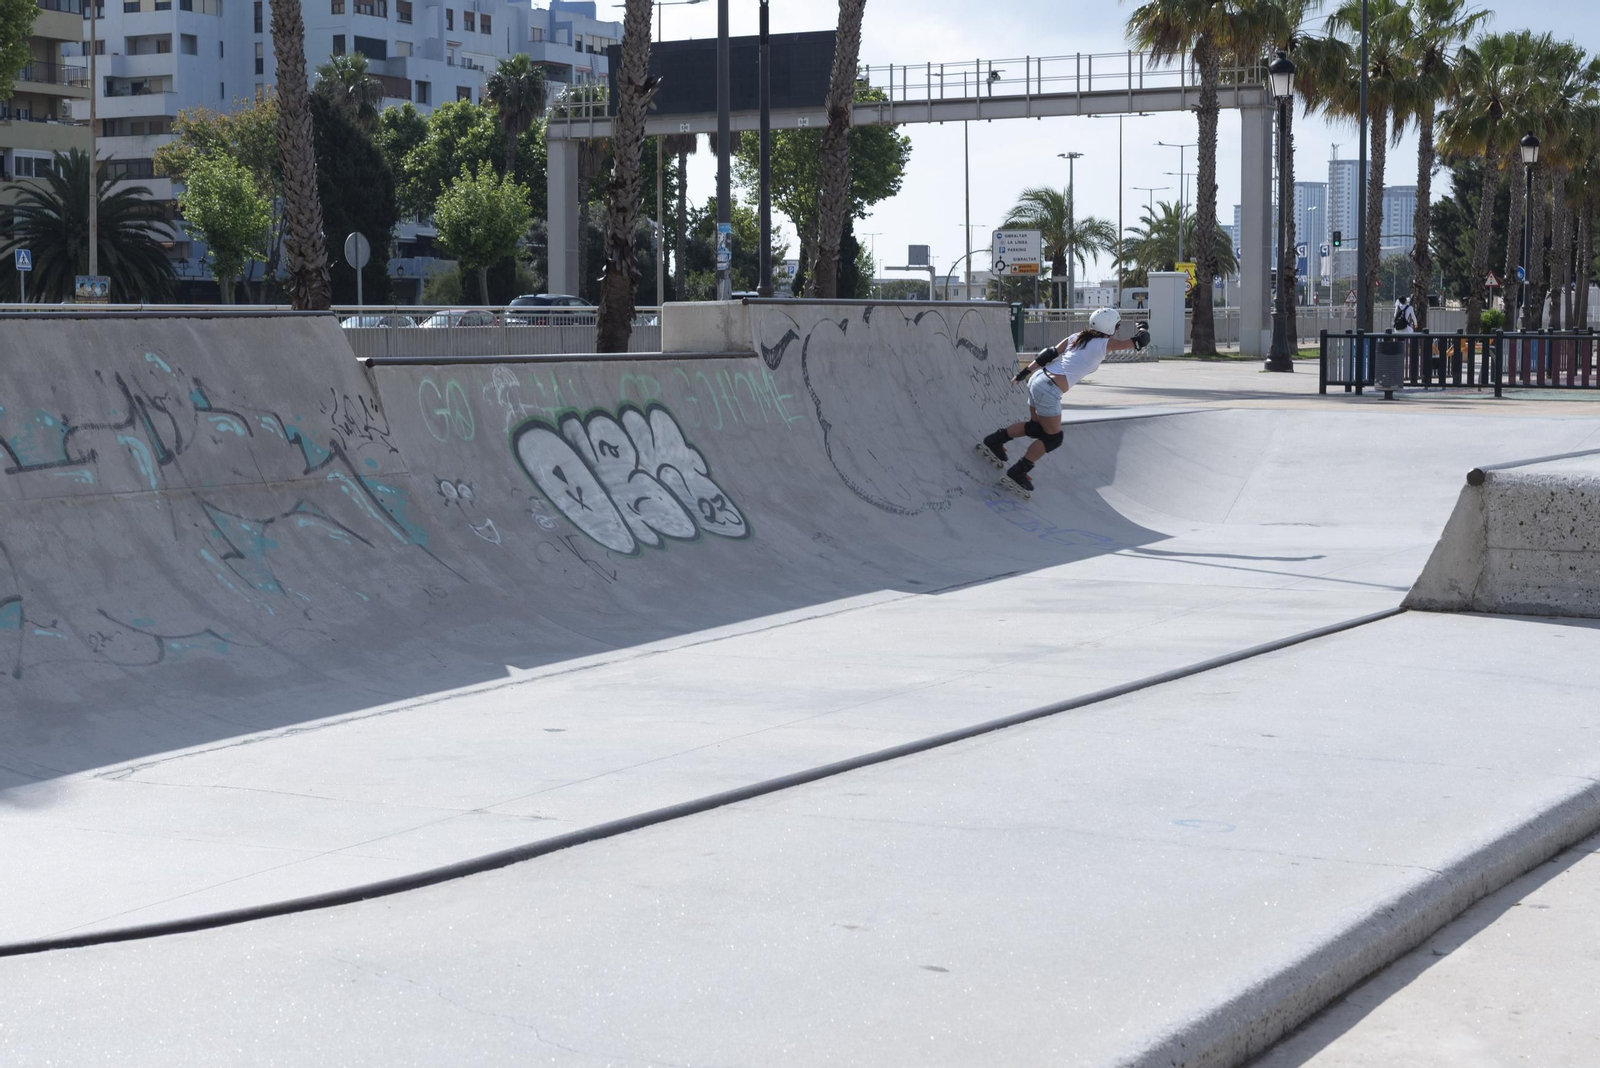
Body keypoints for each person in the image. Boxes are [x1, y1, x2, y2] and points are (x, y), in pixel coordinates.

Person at [977, 306, 1138, 498]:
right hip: (1049, 389)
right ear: (1112, 327)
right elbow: (1138, 342)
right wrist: (1143, 329)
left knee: (1036, 428)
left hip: (1037, 379)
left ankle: (995, 440)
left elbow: (1049, 354)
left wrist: (1022, 374)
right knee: (1053, 438)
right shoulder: (1103, 343)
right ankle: (1019, 471)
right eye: (1117, 327)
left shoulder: (1077, 336)